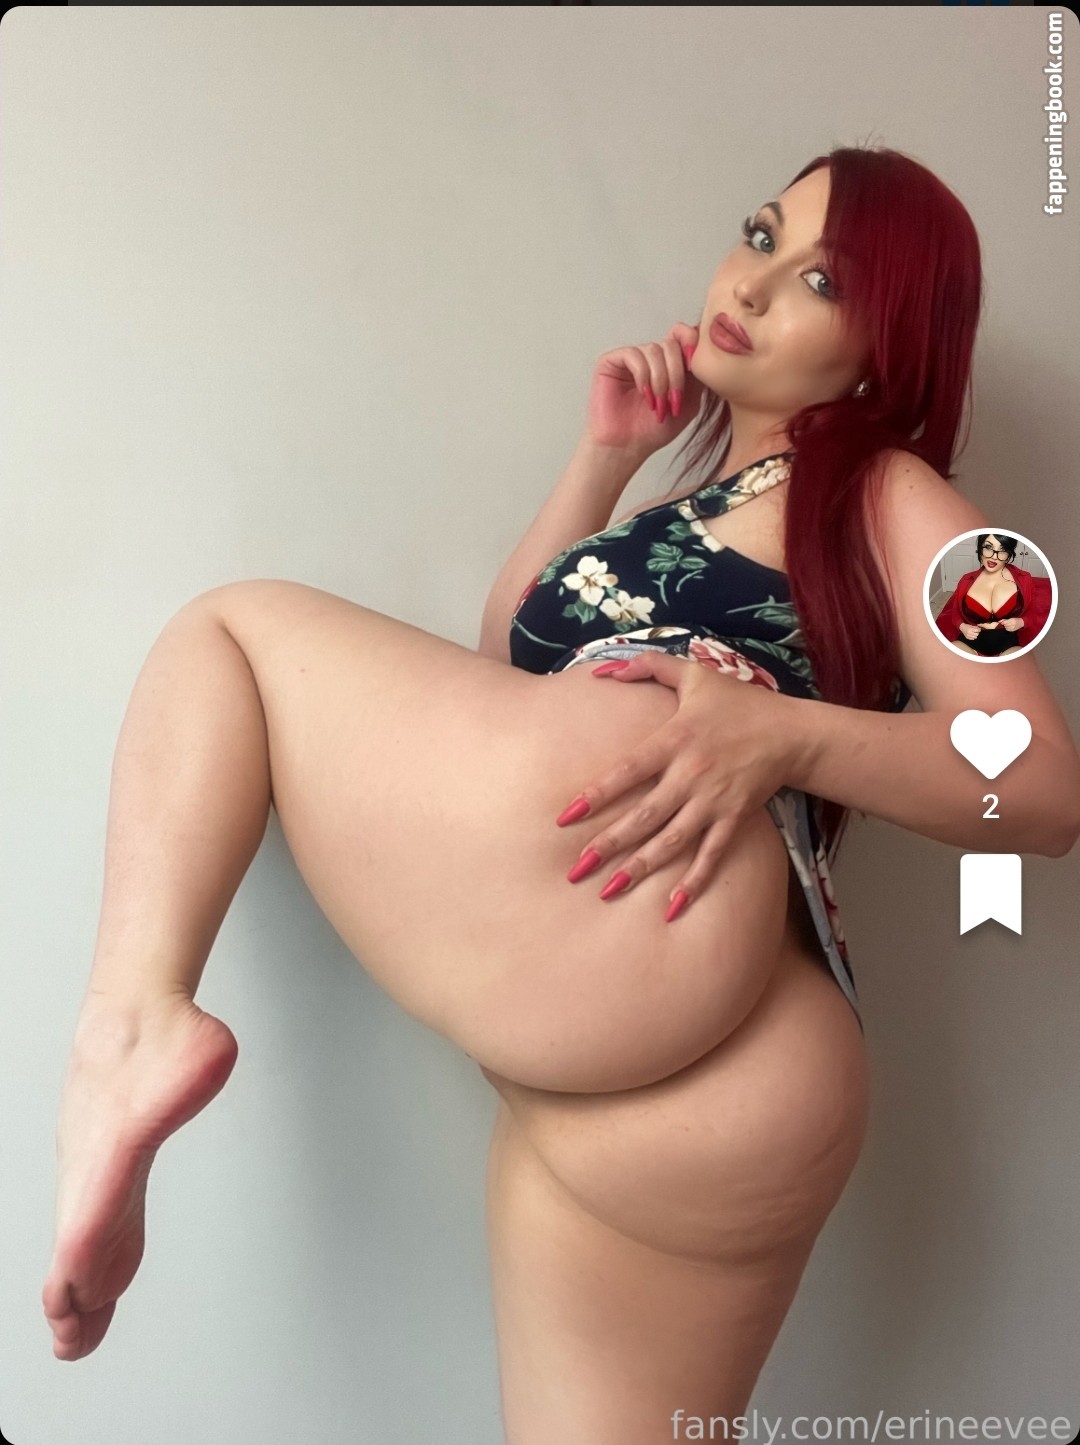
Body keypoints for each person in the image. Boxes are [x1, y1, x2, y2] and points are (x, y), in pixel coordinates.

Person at [42, 144, 1080, 1440]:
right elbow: (503, 678)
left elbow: (1041, 784)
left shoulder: (907, 498)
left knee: (233, 636)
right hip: (671, 1053)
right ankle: (134, 1031)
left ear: (888, 346)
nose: (751, 283)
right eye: (761, 234)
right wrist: (604, 456)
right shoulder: (686, 500)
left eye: (820, 279)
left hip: (699, 989)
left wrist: (783, 736)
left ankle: (132, 1028)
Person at [934, 532, 1052, 657]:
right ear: (980, 549)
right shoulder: (965, 580)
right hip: (970, 641)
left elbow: (1032, 612)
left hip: (1007, 643)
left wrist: (1021, 622)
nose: (994, 557)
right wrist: (962, 626)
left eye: (1002, 550)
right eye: (988, 547)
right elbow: (955, 611)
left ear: (1009, 554)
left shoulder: (1025, 579)